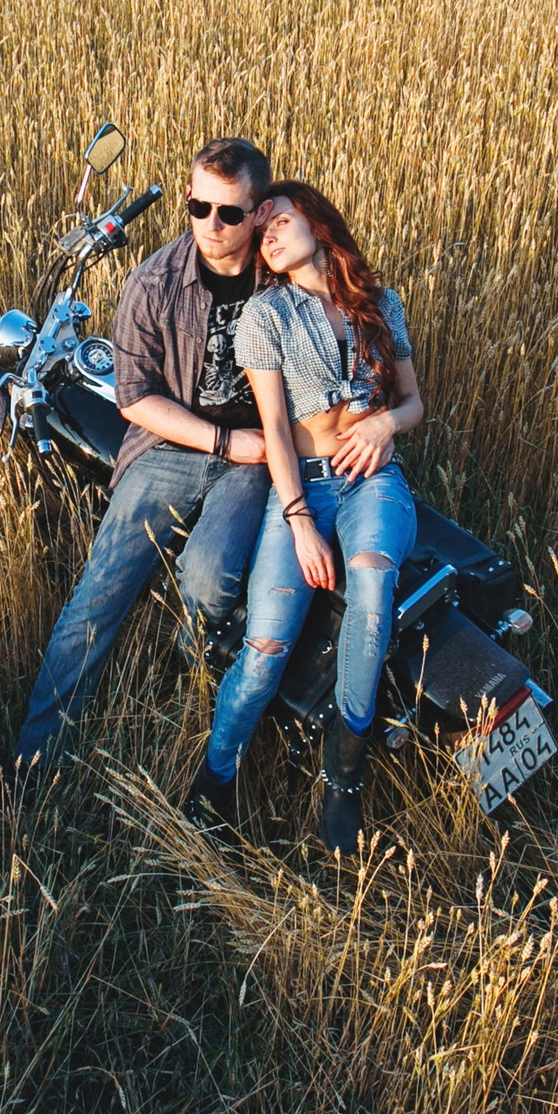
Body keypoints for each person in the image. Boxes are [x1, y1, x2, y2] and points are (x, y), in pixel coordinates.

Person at [7, 137, 278, 779]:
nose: (212, 226)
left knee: (209, 583)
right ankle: (31, 770)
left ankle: (191, 695)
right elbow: (134, 399)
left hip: (256, 460)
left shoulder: (285, 277)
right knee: (96, 600)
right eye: (198, 208)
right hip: (171, 447)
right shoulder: (154, 281)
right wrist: (221, 441)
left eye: (231, 213)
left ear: (260, 212)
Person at [187, 181, 423, 856]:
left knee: (374, 585)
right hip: (303, 489)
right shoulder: (268, 315)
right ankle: (217, 775)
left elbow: (414, 404)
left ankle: (343, 773)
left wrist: (383, 423)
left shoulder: (381, 303)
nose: (270, 235)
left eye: (280, 220)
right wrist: (298, 520)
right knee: (264, 647)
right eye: (263, 233)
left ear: (317, 222)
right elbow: (277, 434)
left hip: (374, 481)